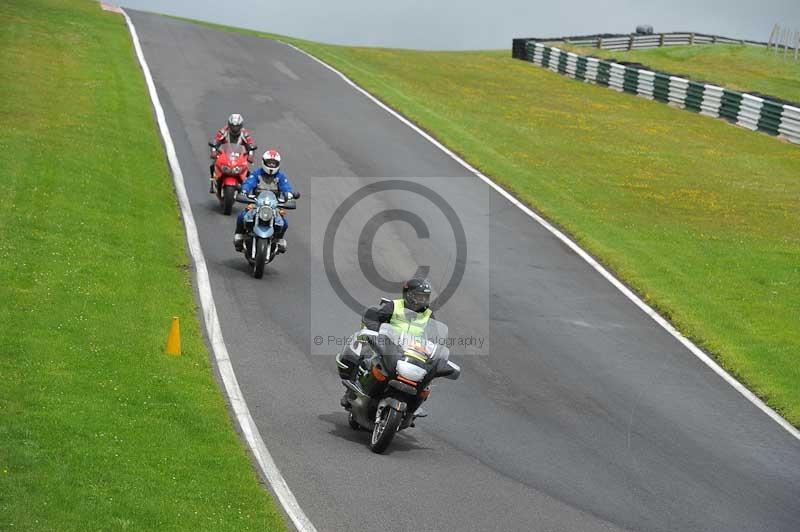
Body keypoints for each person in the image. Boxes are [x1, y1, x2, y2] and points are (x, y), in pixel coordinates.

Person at [340, 278, 435, 407]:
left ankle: (413, 407)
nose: (422, 300)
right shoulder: (394, 306)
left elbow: (434, 337)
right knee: (365, 354)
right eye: (419, 296)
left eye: (425, 297)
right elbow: (374, 318)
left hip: (413, 352)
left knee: (426, 379)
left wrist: (434, 349)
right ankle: (351, 392)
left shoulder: (428, 315)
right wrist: (377, 331)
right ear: (408, 294)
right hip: (389, 345)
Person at [233, 149, 294, 253]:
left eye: (274, 163)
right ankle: (239, 236)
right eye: (269, 162)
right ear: (264, 162)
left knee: (284, 223)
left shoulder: (280, 176)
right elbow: (249, 182)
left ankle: (278, 240)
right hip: (256, 203)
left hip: (274, 206)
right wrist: (244, 191)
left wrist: (289, 195)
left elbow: (286, 187)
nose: (271, 165)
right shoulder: (257, 173)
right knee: (242, 216)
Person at [209, 113, 257, 192]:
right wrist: (213, 151)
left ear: (241, 126)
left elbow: (250, 145)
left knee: (248, 172)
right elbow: (215, 141)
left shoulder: (245, 133)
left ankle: (247, 190)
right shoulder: (223, 131)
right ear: (229, 125)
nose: (235, 128)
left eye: (237, 126)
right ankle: (212, 183)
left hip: (239, 155)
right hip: (225, 153)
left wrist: (250, 156)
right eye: (233, 126)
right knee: (213, 165)